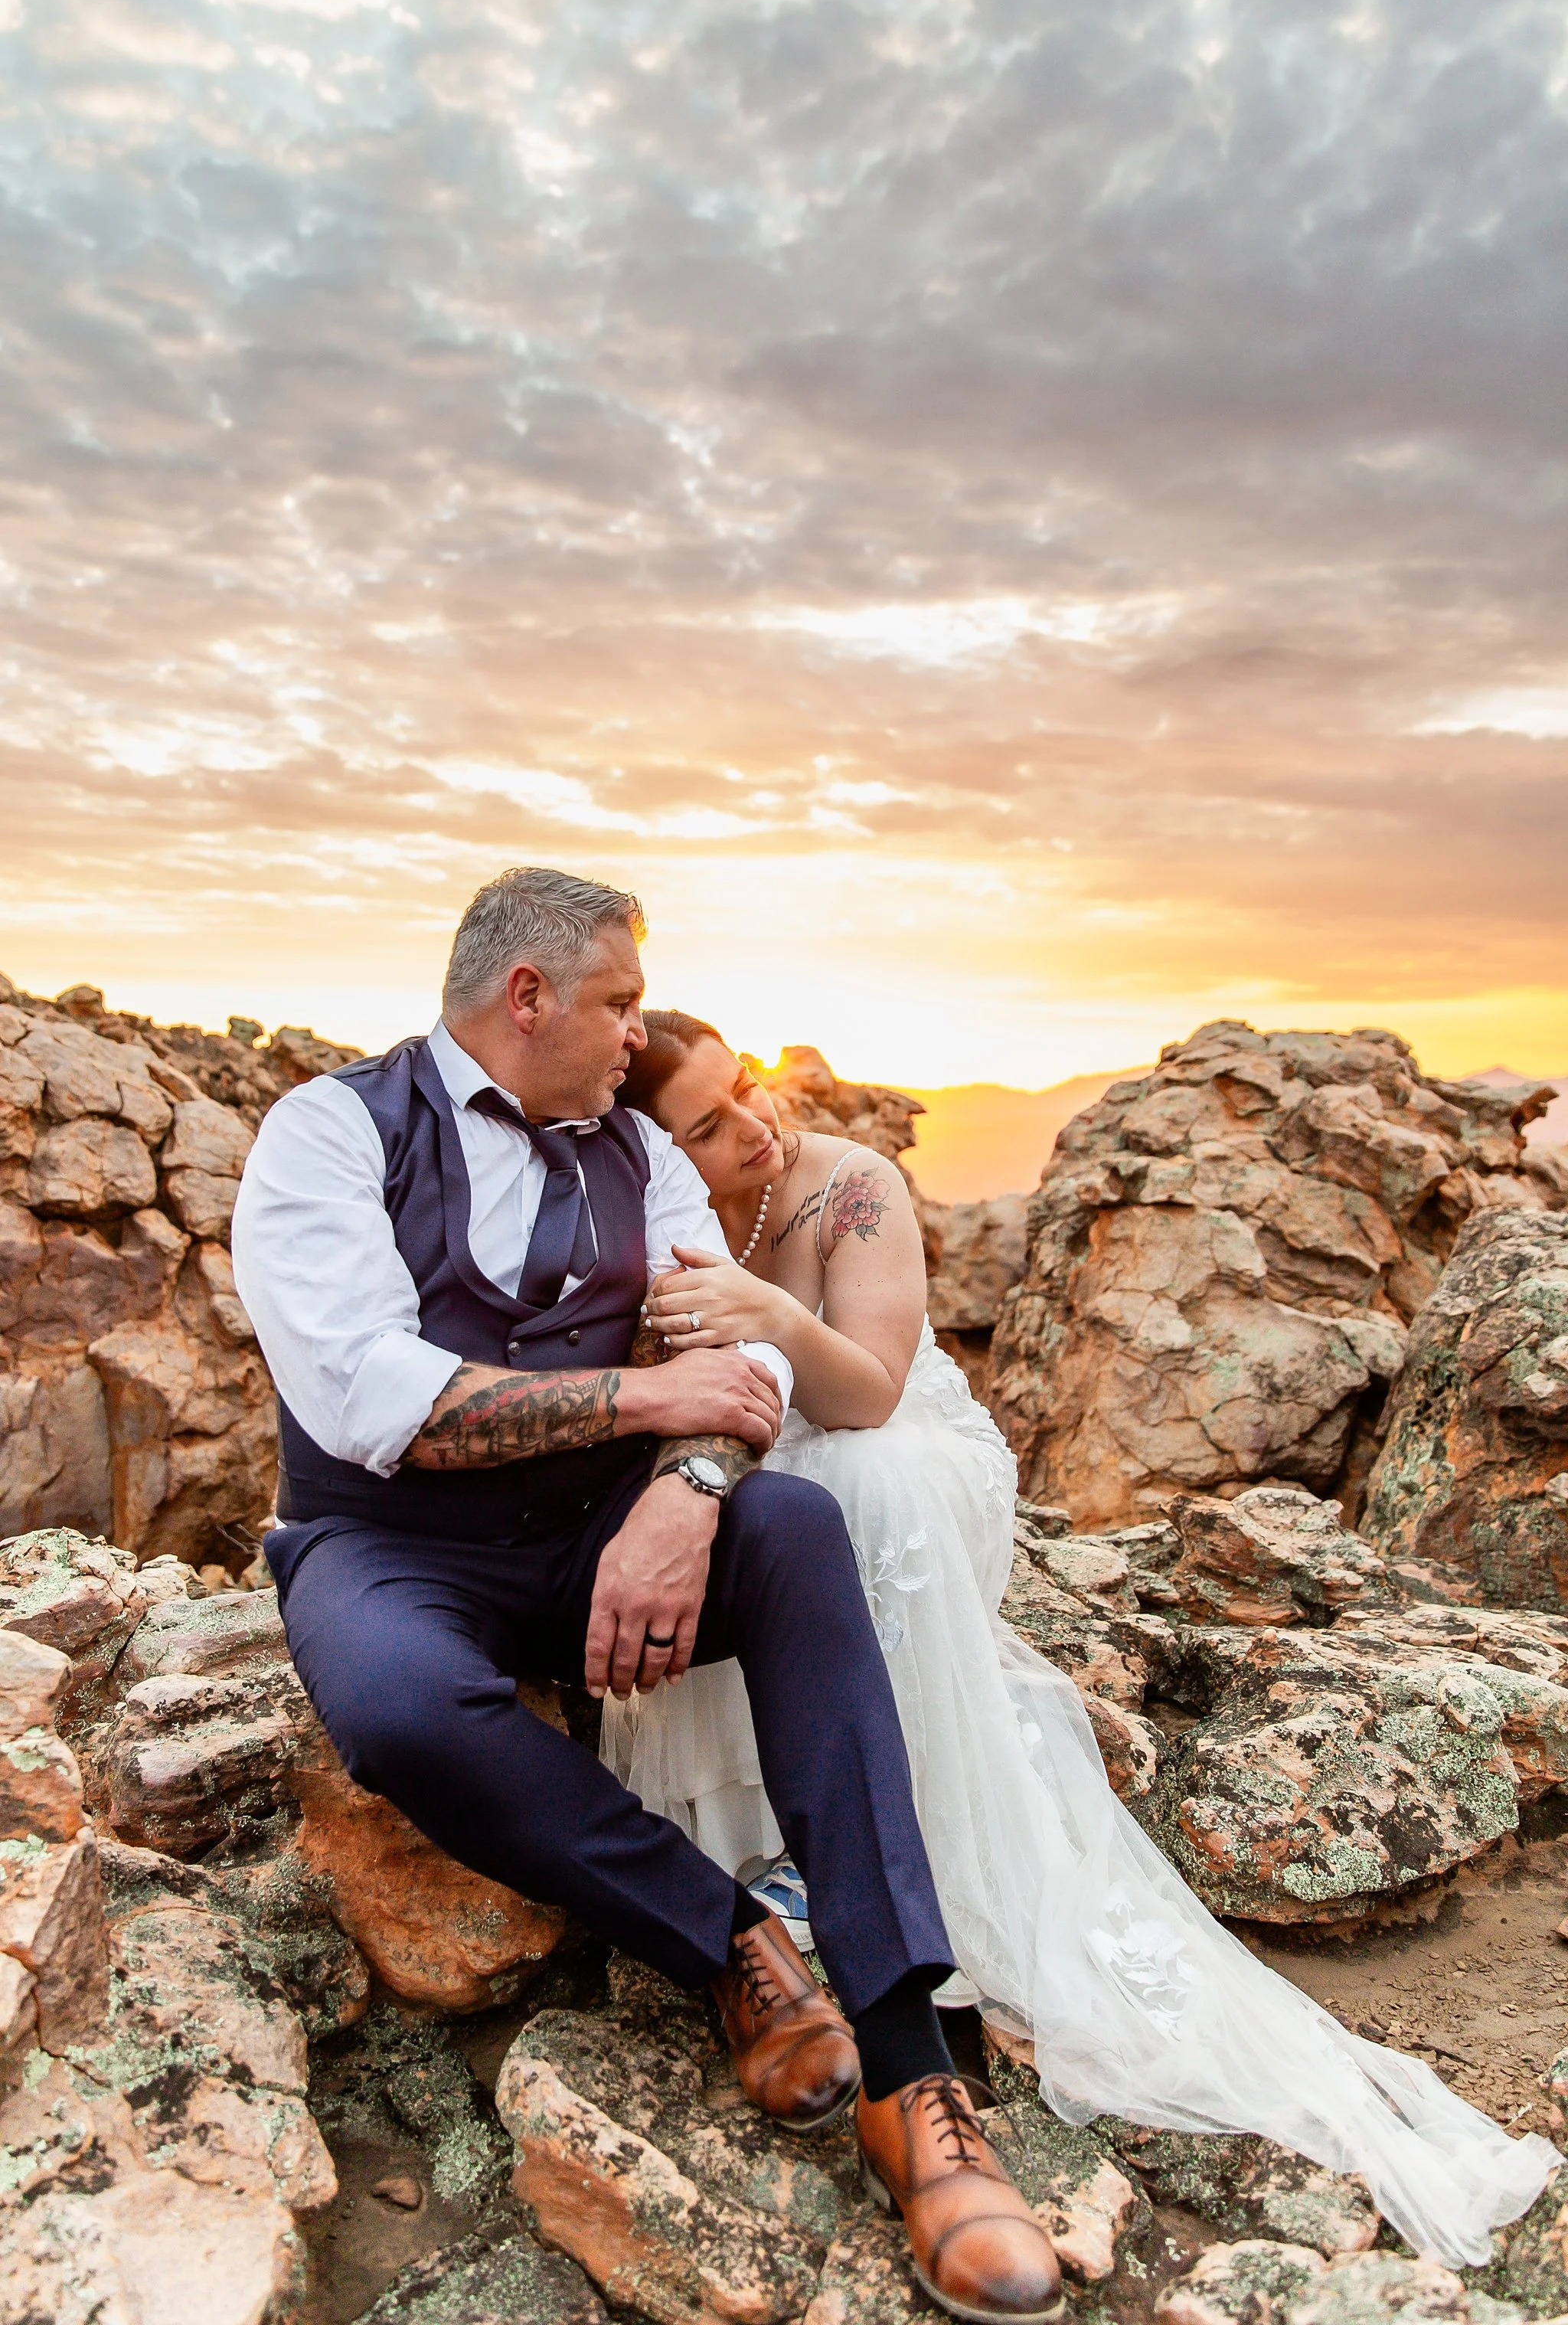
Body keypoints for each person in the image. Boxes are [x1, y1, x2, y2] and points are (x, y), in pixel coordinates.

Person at [230, 867, 1063, 2325]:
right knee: (401, 1707)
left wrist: (684, 1493)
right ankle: (733, 1940)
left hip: (607, 1532)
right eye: (617, 1003)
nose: (637, 1036)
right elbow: (379, 1399)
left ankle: (911, 2077)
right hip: (390, 1543)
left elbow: (737, 1365)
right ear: (527, 995)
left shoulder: (645, 1153)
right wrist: (646, 1403)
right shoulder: (329, 1133)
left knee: (793, 1529)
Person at [604, 1008, 1562, 2271]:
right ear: (654, 1151)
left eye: (746, 1094)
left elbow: (872, 1394)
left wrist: (767, 1321)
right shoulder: (645, 1223)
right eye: (706, 1125)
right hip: (761, 1470)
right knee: (735, 1514)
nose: (750, 1126)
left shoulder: (851, 1188)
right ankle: (773, 1839)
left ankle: (897, 1844)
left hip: (891, 1452)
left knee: (862, 1486)